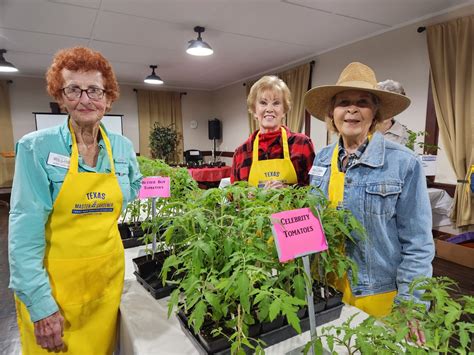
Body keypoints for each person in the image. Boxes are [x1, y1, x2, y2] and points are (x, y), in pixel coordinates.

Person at [9, 46, 142, 353]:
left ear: (108, 98)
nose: (85, 99)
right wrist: (41, 307)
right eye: (73, 89)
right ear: (60, 97)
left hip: (107, 283)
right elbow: (23, 237)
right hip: (56, 291)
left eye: (94, 90)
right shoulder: (36, 148)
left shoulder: (121, 147)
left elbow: (133, 187)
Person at [304, 62, 434, 340]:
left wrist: (411, 303)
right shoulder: (322, 159)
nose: (352, 109)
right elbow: (312, 221)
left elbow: (418, 243)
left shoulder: (403, 163)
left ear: (375, 113)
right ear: (331, 112)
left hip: (378, 295)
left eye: (362, 102)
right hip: (326, 289)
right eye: (343, 103)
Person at [231, 75, 315, 188]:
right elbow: (232, 195)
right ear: (254, 110)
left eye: (276, 103)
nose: (269, 109)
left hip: (293, 207)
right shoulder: (241, 152)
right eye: (263, 103)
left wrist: (288, 190)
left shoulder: (301, 144)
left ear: (284, 110)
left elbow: (316, 190)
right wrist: (245, 196)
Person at [376, 79, 410, 146]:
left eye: (391, 105)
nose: (385, 110)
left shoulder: (405, 135)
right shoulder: (362, 129)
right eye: (381, 104)